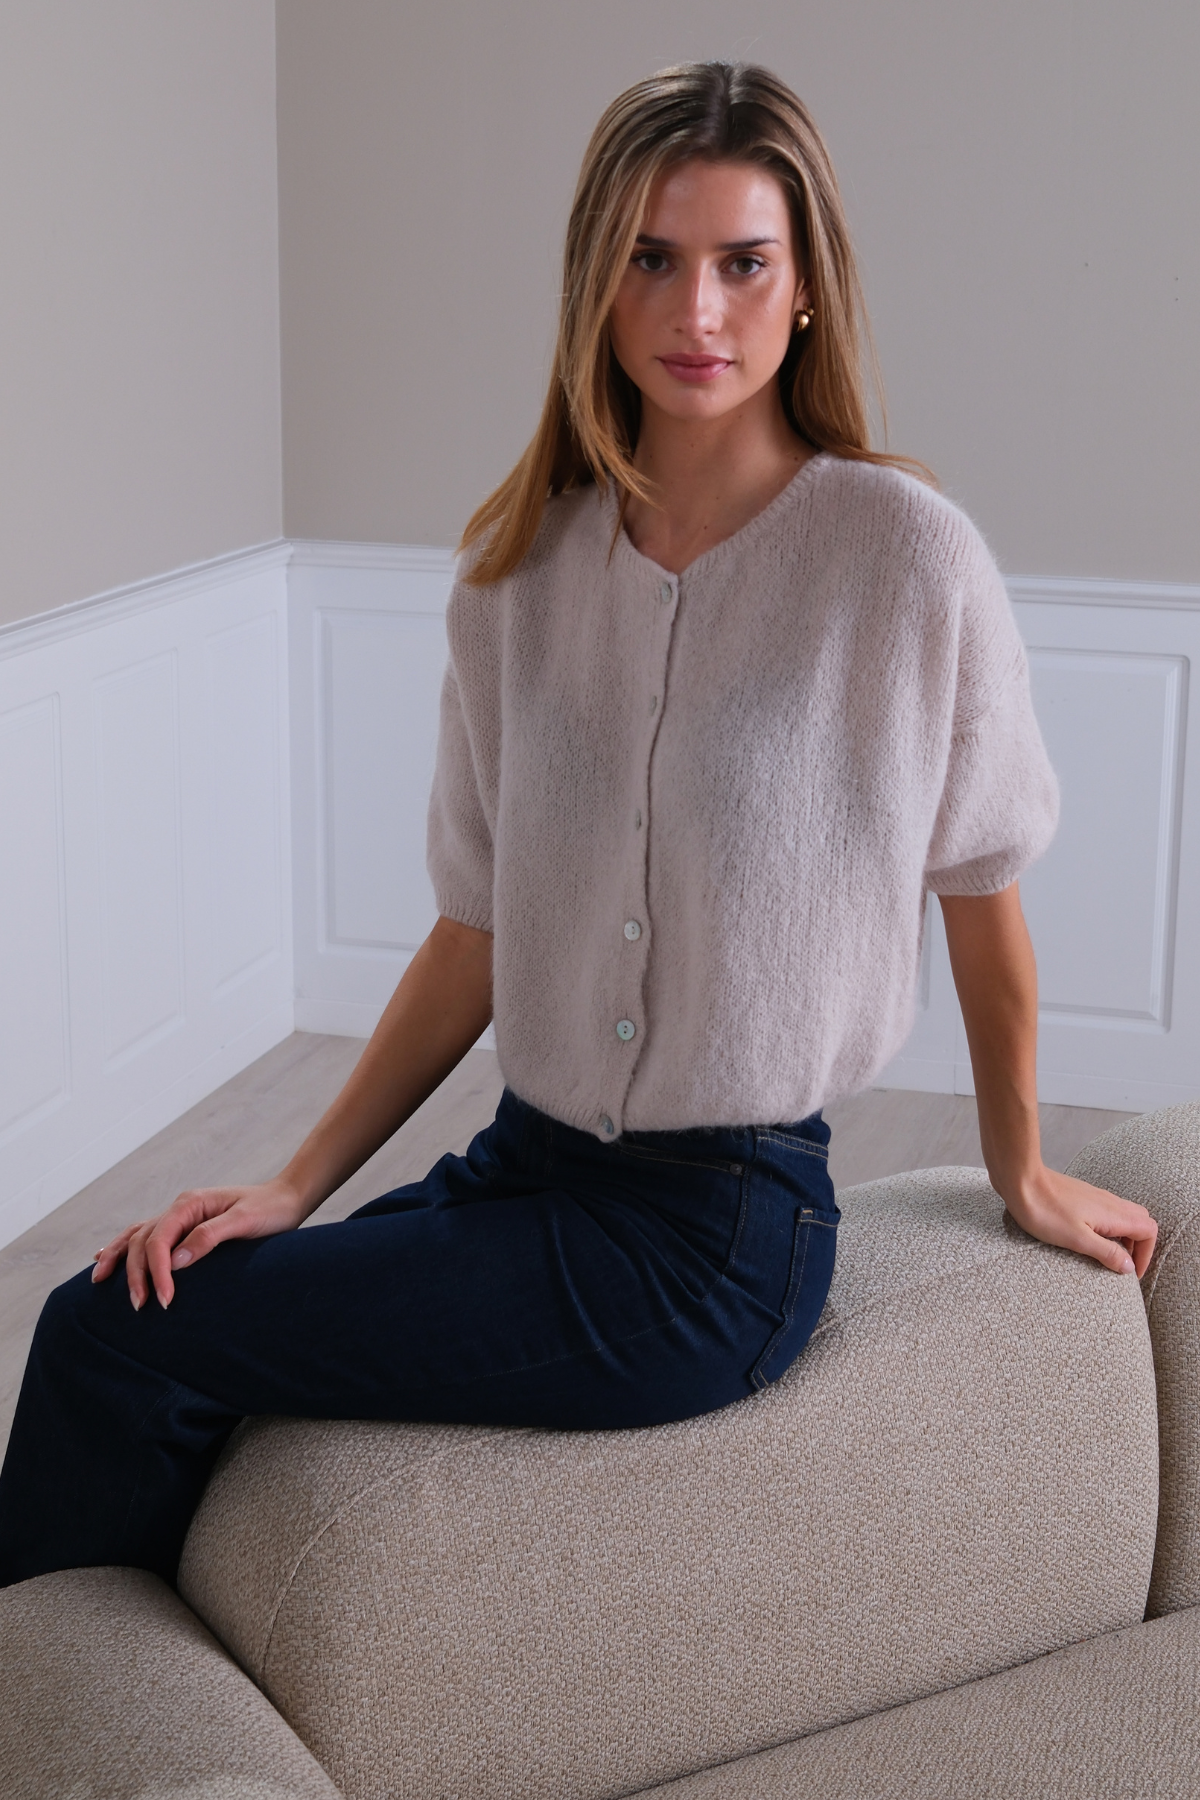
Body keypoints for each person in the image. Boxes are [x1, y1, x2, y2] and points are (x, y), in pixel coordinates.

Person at [0, 61, 1157, 1591]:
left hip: (714, 1243)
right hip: (526, 1167)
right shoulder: (521, 569)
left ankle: (43, 1689)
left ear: (808, 288)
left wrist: (1020, 1162)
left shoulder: (901, 559)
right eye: (653, 259)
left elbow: (984, 886)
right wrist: (292, 1183)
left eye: (745, 263)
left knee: (102, 1334)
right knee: (167, 1319)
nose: (699, 310)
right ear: (595, 283)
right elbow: (474, 928)